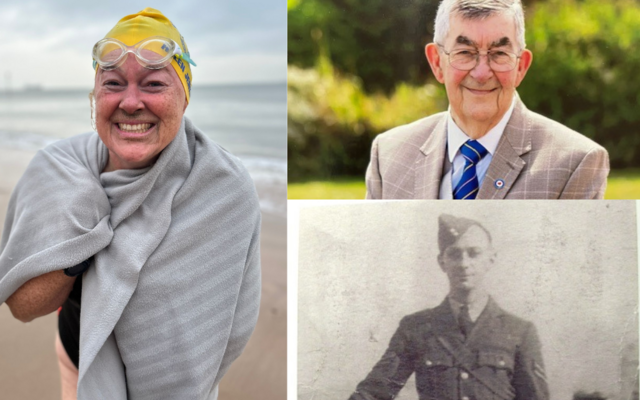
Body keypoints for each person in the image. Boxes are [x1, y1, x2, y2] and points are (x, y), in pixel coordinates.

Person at [0, 8, 261, 400]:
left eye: (154, 84)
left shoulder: (224, 189)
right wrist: (82, 244)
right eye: (114, 83)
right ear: (95, 96)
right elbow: (22, 306)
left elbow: (229, 330)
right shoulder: (59, 170)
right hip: (79, 363)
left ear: (184, 97)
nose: (131, 102)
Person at [365, 0, 609, 200]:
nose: (482, 73)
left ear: (521, 66)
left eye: (499, 54)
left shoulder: (575, 163)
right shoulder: (389, 155)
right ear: (437, 63)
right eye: (465, 53)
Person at [348, 214, 549, 400]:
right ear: (442, 262)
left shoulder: (519, 332)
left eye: (474, 253)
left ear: (491, 259)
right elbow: (373, 394)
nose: (464, 263)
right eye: (454, 254)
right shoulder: (416, 327)